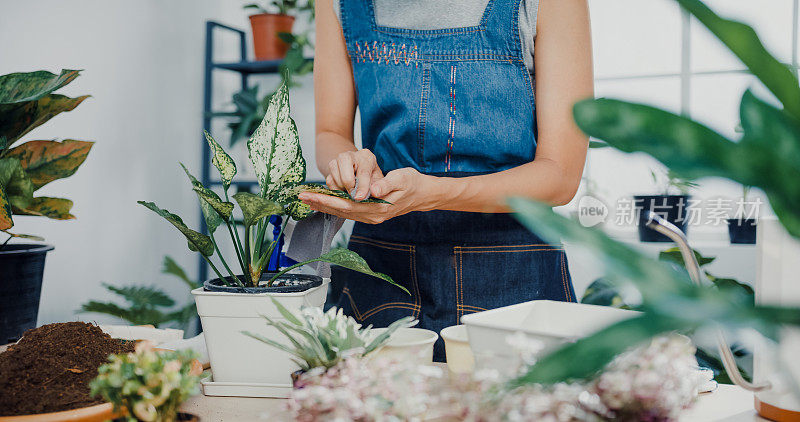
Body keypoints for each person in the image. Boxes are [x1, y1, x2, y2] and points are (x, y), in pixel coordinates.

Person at [299, 0, 593, 360]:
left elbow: (560, 176)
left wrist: (434, 193)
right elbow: (330, 132)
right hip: (381, 268)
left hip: (513, 266)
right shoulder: (337, 4)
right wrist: (348, 164)